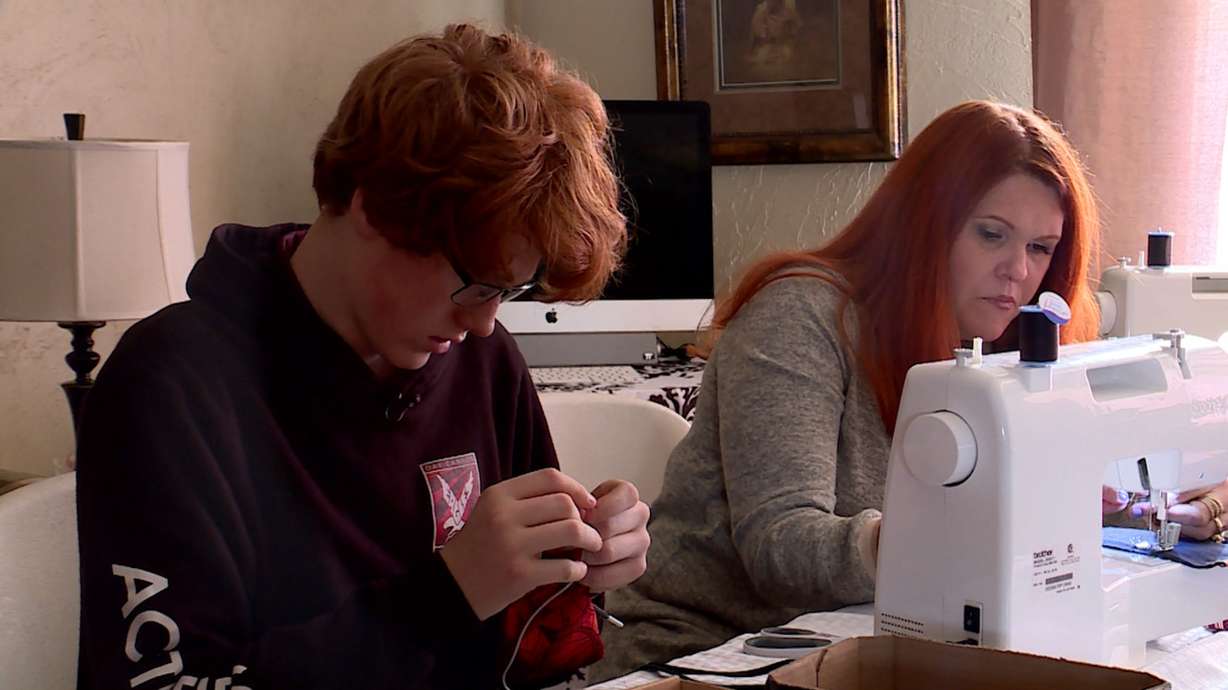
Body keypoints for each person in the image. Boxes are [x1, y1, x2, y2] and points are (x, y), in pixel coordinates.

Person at [75, 24, 650, 690]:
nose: (486, 322)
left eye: (509, 290)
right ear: (372, 205)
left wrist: (577, 566)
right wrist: (448, 593)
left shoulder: (481, 364)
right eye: (475, 282)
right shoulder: (169, 386)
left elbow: (530, 659)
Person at [592, 100, 1106, 679]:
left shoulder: (1003, 350)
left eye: (1040, 248)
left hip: (862, 637)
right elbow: (779, 545)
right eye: (992, 235)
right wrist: (927, 539)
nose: (1018, 269)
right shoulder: (801, 317)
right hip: (702, 653)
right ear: (923, 225)